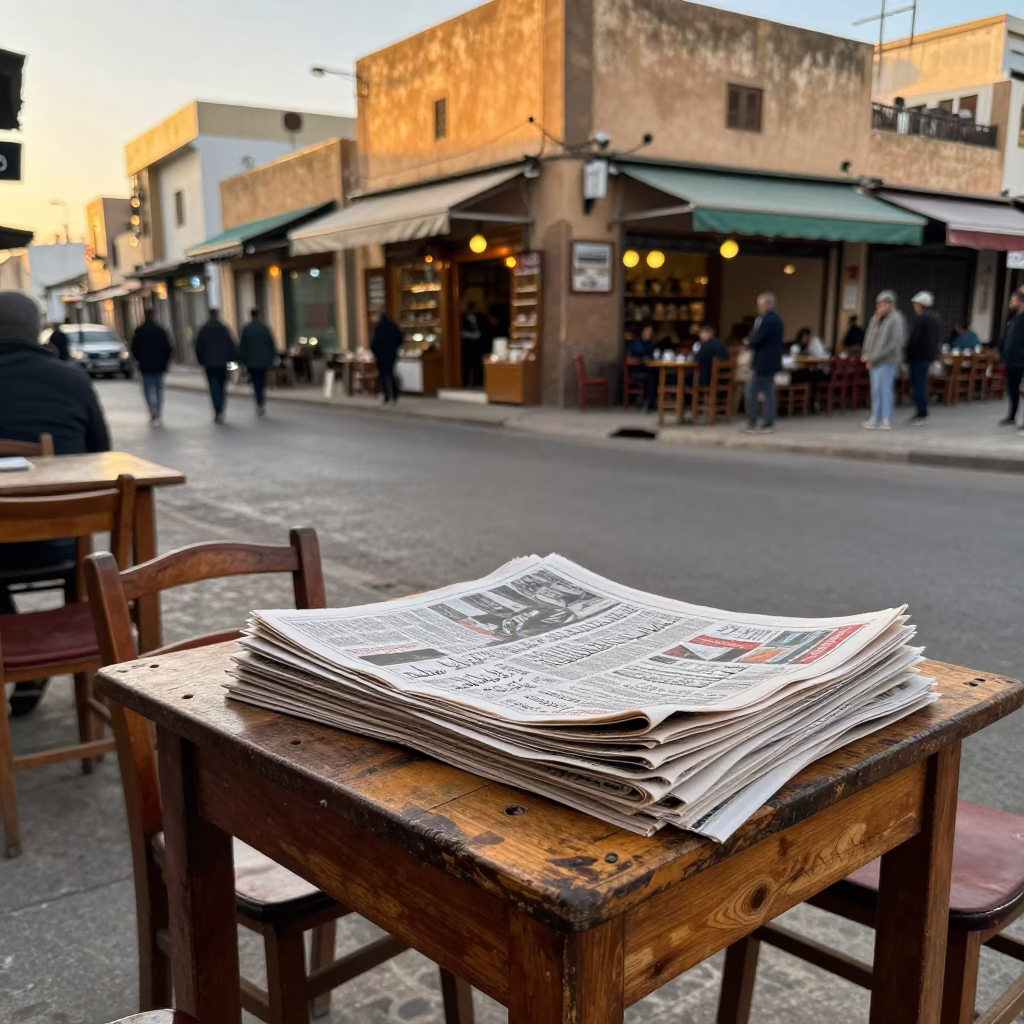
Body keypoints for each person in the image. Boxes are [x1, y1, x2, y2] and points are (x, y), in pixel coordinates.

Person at [0, 290, 111, 716]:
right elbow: (103, 456)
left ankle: (19, 652)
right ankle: (60, 648)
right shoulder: (72, 378)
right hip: (68, 544)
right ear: (37, 329)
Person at [861, 290, 906, 431]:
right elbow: (869, 337)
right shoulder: (876, 318)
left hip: (887, 360)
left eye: (882, 303)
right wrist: (866, 354)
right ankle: (875, 417)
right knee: (875, 389)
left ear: (890, 305)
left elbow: (893, 343)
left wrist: (874, 357)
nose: (879, 306)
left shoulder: (896, 319)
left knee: (885, 389)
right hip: (874, 360)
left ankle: (886, 419)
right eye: (878, 303)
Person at [744, 291, 784, 434]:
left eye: (761, 304)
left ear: (769, 304)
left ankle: (753, 421)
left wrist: (749, 342)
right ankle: (767, 421)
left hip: (764, 361)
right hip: (769, 361)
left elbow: (760, 338)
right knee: (768, 392)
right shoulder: (773, 319)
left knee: (751, 391)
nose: (758, 307)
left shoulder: (769, 320)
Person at [130, 307, 173, 426]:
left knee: (148, 390)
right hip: (159, 366)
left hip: (145, 366)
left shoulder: (140, 331)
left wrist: (138, 361)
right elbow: (168, 348)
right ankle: (158, 410)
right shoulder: (160, 330)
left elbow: (134, 348)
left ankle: (152, 411)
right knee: (159, 389)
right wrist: (165, 362)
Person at [195, 308, 237, 424]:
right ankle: (221, 409)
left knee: (213, 387)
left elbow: (198, 347)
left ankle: (217, 409)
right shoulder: (224, 329)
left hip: (209, 364)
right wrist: (232, 367)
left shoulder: (204, 330)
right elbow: (232, 349)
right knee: (222, 387)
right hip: (223, 364)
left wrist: (201, 361)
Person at [904, 291, 941, 425]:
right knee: (921, 384)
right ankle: (921, 411)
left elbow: (914, 339)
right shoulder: (935, 319)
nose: (914, 306)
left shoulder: (920, 319)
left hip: (917, 357)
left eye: (915, 304)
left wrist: (906, 353)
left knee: (917, 385)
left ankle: (921, 413)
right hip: (928, 357)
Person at [238, 308, 276, 417]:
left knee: (255, 383)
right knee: (262, 382)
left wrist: (242, 360)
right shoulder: (264, 328)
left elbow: (243, 346)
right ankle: (261, 402)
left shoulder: (247, 329)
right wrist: (271, 358)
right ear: (259, 315)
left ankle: (259, 402)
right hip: (264, 361)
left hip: (252, 362)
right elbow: (271, 344)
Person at [1000, 288, 1024, 427]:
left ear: (1021, 301)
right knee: (1012, 389)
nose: (1011, 302)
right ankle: (1011, 416)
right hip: (1011, 359)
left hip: (1022, 359)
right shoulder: (1012, 318)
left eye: (1013, 300)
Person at [371, 312, 403, 405]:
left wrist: (375, 353)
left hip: (381, 356)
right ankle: (395, 394)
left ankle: (386, 396)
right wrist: (395, 349)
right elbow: (400, 339)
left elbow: (374, 342)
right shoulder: (393, 325)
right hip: (392, 354)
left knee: (383, 375)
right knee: (391, 373)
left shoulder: (378, 327)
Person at [626, 323, 656, 411]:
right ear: (643, 332)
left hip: (647, 368)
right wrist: (642, 360)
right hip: (637, 370)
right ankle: (648, 401)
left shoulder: (650, 344)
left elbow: (651, 356)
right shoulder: (636, 343)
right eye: (647, 331)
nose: (649, 334)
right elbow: (635, 356)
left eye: (650, 332)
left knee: (655, 375)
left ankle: (650, 401)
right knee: (651, 377)